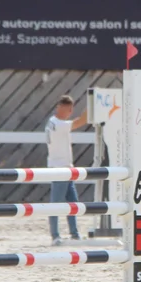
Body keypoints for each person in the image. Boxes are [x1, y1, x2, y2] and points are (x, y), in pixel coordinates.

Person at [46, 95, 89, 244]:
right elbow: (82, 121)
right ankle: (55, 235)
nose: (71, 112)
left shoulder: (54, 122)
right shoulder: (58, 124)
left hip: (65, 167)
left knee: (73, 202)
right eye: (70, 109)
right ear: (64, 108)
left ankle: (74, 234)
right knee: (56, 203)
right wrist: (92, 104)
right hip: (60, 168)